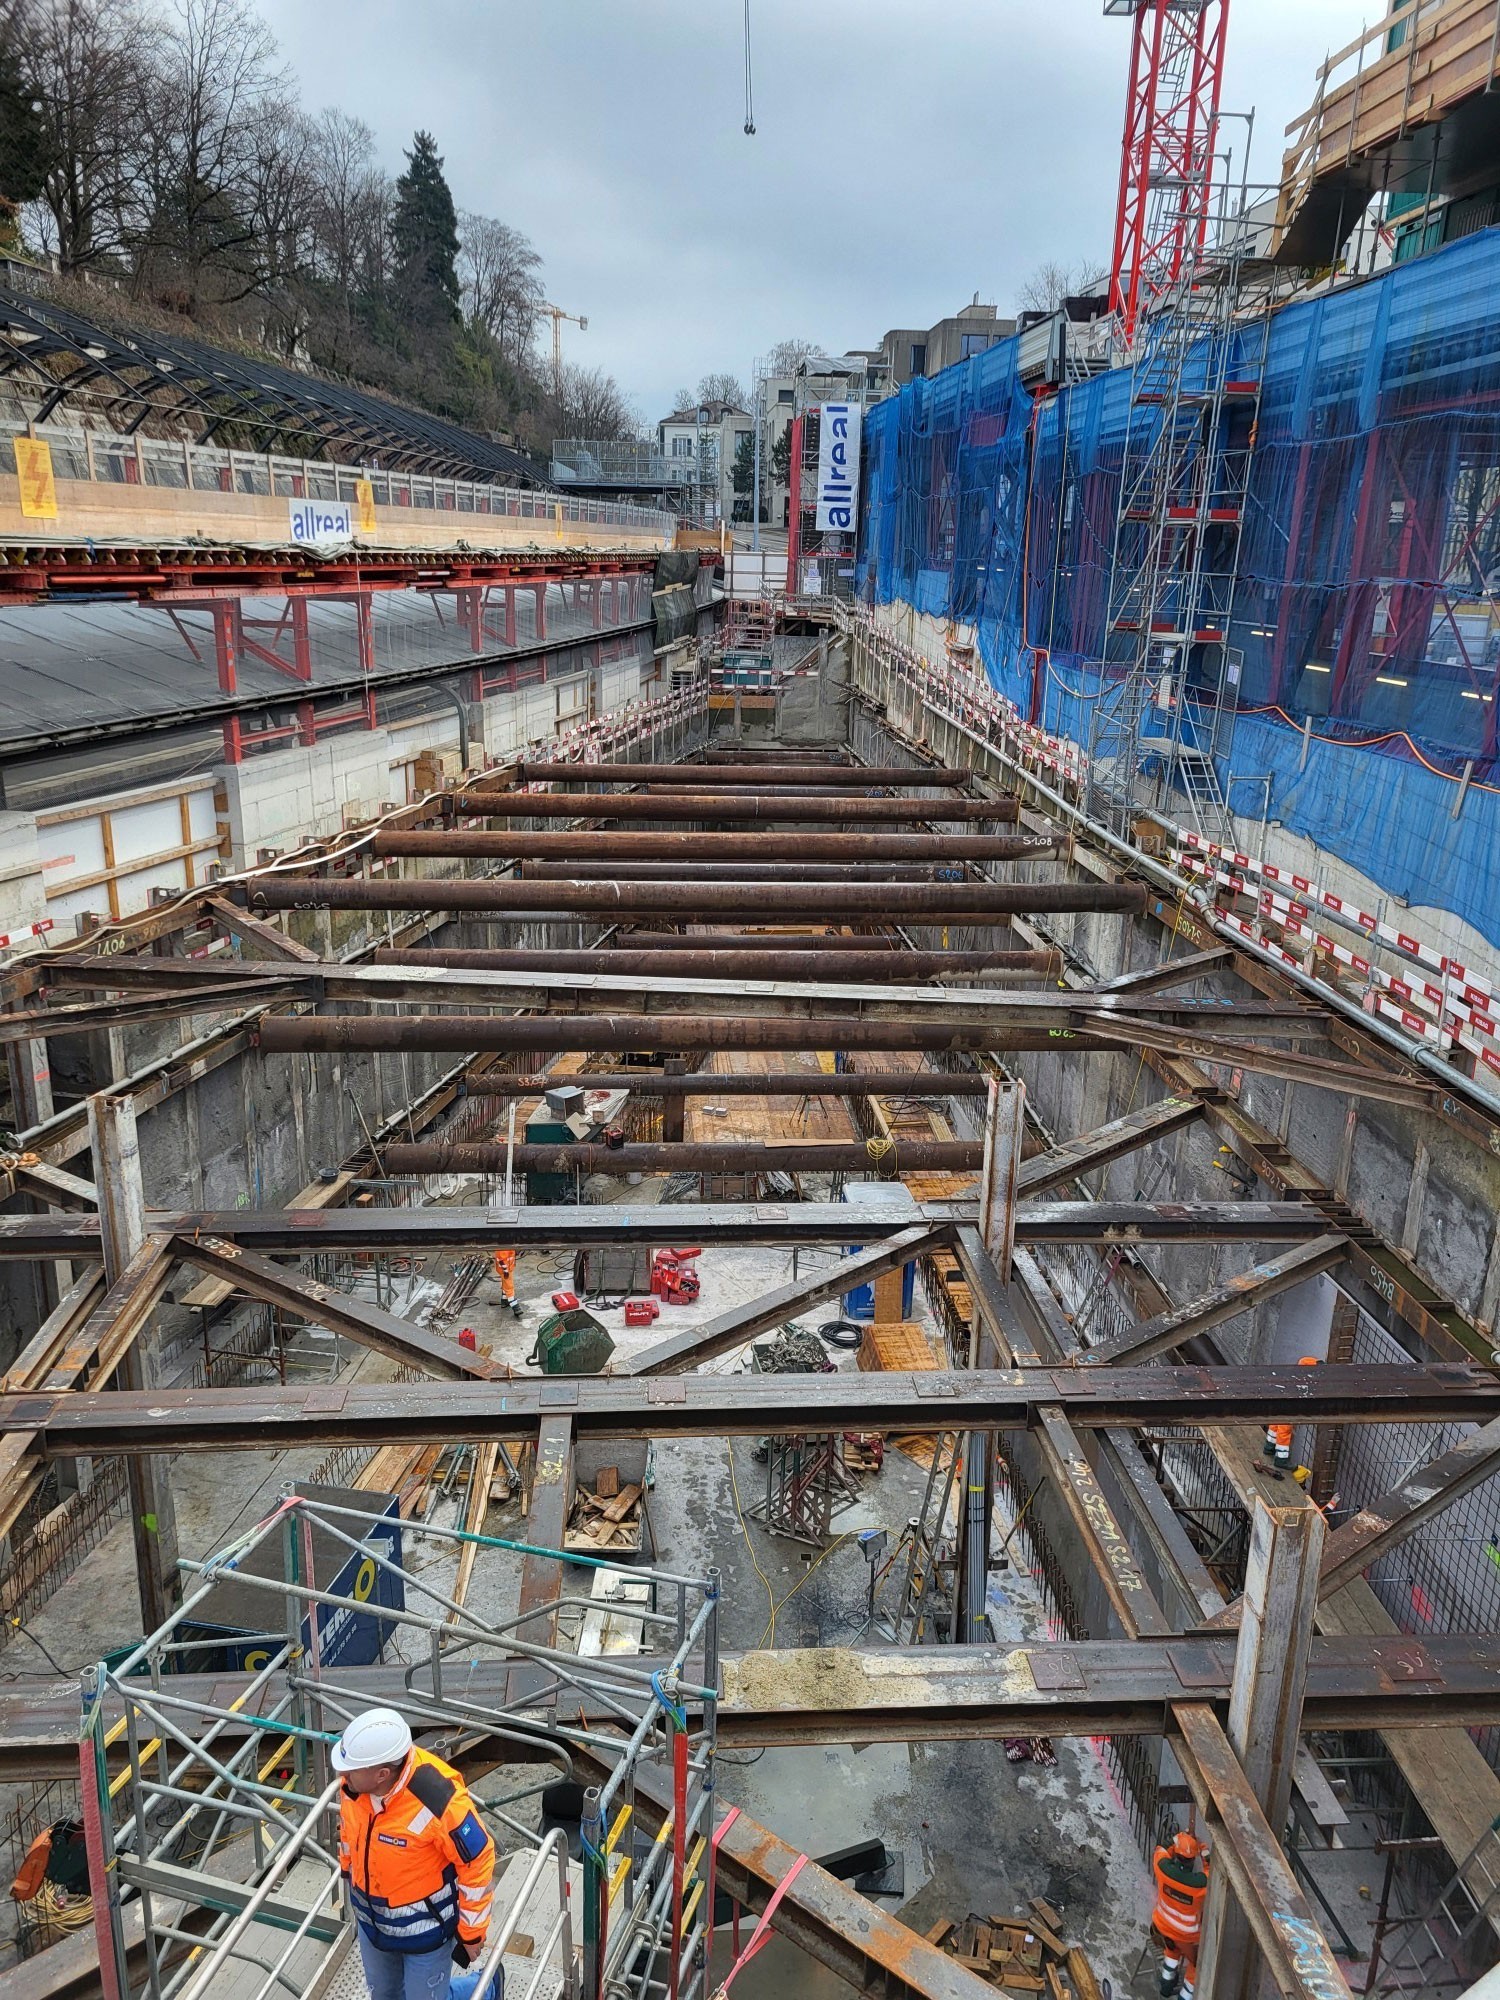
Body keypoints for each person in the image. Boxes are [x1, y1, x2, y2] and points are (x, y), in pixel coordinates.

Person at [336, 1707, 495, 2000]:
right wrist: (347, 1869)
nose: (341, 1774)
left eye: (350, 1769)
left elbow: (478, 1860)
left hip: (425, 1933)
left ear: (381, 1774)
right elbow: (348, 1832)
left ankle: (486, 1988)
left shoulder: (438, 1800)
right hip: (372, 1924)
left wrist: (472, 1932)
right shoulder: (353, 1786)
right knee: (383, 1995)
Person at [1151, 1829, 1209, 1999]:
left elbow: (1161, 1848)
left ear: (1176, 1855)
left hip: (1162, 1927)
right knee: (1197, 1964)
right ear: (1192, 1861)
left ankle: (1166, 1982)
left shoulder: (1163, 1869)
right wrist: (1203, 1848)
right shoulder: (1200, 1884)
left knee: (1172, 1947)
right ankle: (1185, 1995)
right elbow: (1212, 1868)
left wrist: (1180, 1836)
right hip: (1188, 1937)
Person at [1263, 1356, 1319, 1477]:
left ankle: (1269, 1447)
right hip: (1287, 1408)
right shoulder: (1302, 1380)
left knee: (1275, 1425)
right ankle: (1281, 1459)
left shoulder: (1294, 1374)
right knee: (1284, 1432)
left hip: (1279, 1404)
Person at [492, 1248, 522, 1319]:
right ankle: (515, 1307)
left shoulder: (508, 1245)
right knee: (509, 1287)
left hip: (508, 1269)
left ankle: (504, 1301)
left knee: (505, 1284)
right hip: (505, 1271)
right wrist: (505, 1271)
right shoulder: (503, 1247)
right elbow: (501, 1259)